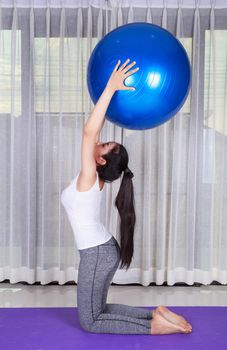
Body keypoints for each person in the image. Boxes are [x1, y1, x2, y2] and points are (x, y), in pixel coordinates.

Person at [61, 58, 192, 335]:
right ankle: (154, 315)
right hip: (101, 251)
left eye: (104, 143)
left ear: (100, 160)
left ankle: (154, 328)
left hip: (97, 254)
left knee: (91, 321)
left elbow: (88, 131)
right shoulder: (95, 178)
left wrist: (110, 86)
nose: (98, 140)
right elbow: (90, 135)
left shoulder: (90, 178)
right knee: (100, 311)